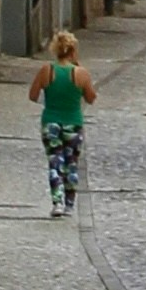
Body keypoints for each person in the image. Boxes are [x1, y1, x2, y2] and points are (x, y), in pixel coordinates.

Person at [39, 34, 90, 218]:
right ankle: (69, 204)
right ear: (73, 51)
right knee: (72, 164)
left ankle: (57, 202)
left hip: (51, 121)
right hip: (73, 122)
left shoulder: (47, 70)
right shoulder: (80, 73)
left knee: (55, 162)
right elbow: (91, 98)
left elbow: (32, 94)